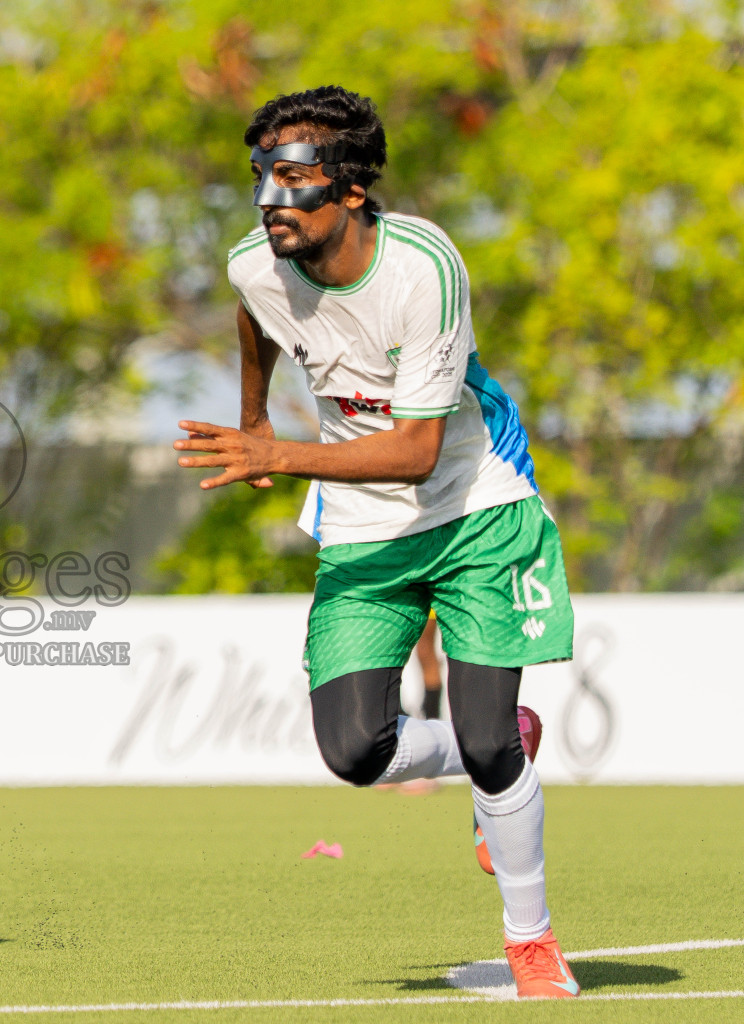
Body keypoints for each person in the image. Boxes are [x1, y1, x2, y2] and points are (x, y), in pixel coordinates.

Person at [175, 86, 579, 999]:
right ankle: (503, 741)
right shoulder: (255, 264)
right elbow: (255, 319)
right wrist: (252, 416)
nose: (271, 200)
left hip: (476, 508)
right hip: (366, 530)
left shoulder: (423, 266)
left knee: (481, 745)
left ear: (352, 190)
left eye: (294, 179)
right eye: (260, 180)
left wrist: (276, 447)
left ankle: (532, 942)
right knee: (355, 753)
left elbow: (417, 451)